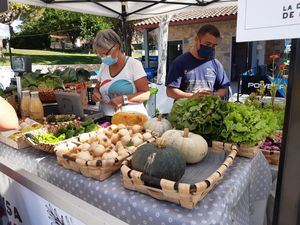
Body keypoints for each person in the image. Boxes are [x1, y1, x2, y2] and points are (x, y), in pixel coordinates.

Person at [92, 29, 150, 117]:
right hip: (106, 119)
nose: (103, 58)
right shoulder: (104, 66)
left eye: (105, 54)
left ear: (117, 46)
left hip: (131, 119)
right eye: (100, 55)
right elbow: (97, 88)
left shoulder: (134, 64)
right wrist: (96, 94)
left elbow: (145, 94)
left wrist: (123, 99)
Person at [166, 24, 230, 99]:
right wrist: (192, 96)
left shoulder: (216, 64)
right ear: (197, 39)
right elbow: (170, 91)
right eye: (208, 44)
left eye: (213, 45)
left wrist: (213, 96)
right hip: (185, 109)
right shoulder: (180, 62)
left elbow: (224, 88)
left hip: (208, 109)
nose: (210, 48)